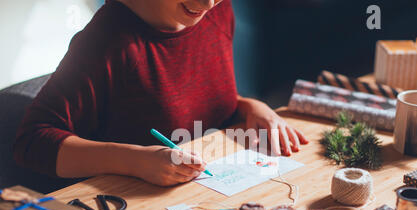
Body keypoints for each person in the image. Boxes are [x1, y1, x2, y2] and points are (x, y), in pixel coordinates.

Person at [14, 0, 308, 187]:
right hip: (138, 208)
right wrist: (137, 160)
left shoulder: (218, 11)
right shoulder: (107, 41)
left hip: (205, 190)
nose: (207, 3)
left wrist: (249, 107)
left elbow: (195, 98)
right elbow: (31, 143)